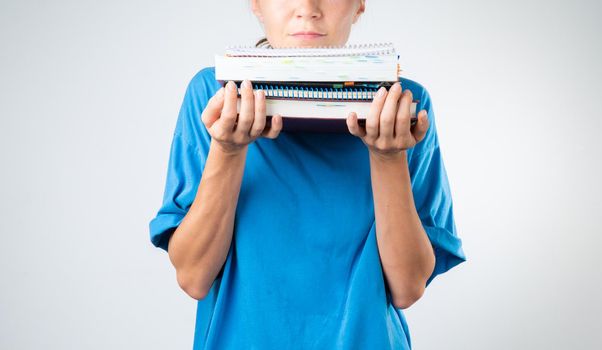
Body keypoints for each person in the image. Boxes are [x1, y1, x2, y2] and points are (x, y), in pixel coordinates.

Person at [148, 0, 466, 348]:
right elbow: (194, 277)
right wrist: (228, 150)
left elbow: (407, 287)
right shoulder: (212, 97)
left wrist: (387, 158)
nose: (307, 7)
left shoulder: (403, 107)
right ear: (256, 4)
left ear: (359, 5)